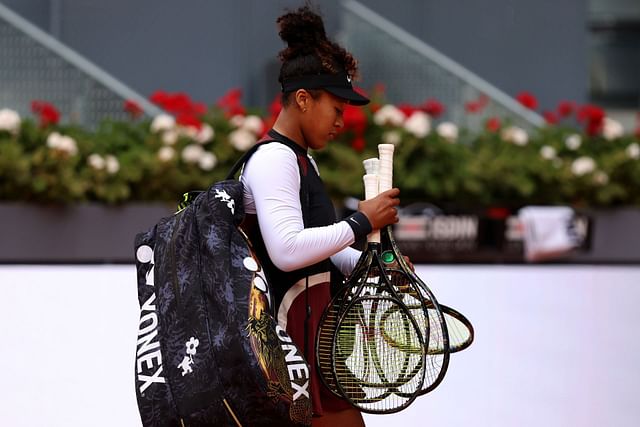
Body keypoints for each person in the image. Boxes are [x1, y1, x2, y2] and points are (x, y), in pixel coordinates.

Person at [240, 6, 401, 426]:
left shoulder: (302, 161)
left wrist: (375, 265)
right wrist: (361, 222)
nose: (342, 122)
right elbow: (288, 250)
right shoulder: (274, 160)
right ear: (303, 98)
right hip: (282, 350)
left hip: (312, 343)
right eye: (337, 108)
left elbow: (321, 253)